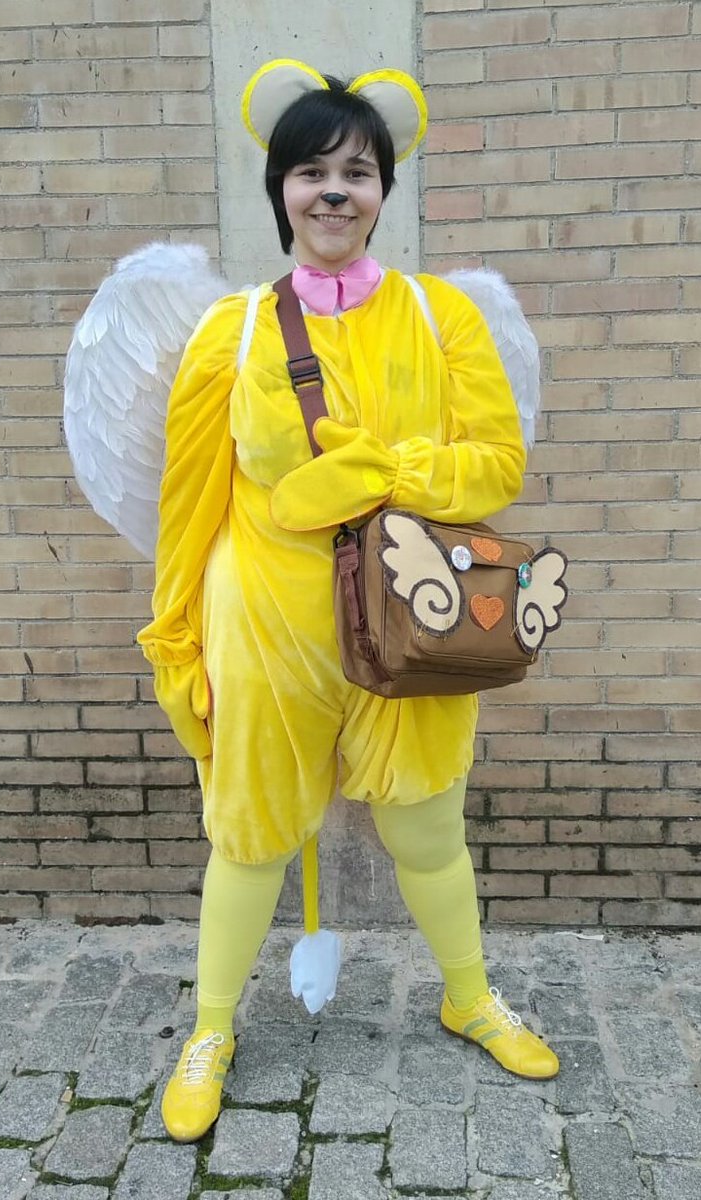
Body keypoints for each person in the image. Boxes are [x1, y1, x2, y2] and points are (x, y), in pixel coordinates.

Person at [135, 58, 559, 1144]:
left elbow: (496, 464)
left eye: (357, 173)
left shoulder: (440, 314)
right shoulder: (231, 333)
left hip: (411, 615)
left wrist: (379, 471)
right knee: (249, 837)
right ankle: (211, 1029)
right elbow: (189, 501)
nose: (334, 191)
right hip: (266, 623)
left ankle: (469, 997)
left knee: (426, 827)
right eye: (312, 171)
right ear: (280, 189)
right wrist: (175, 637)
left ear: (383, 192)